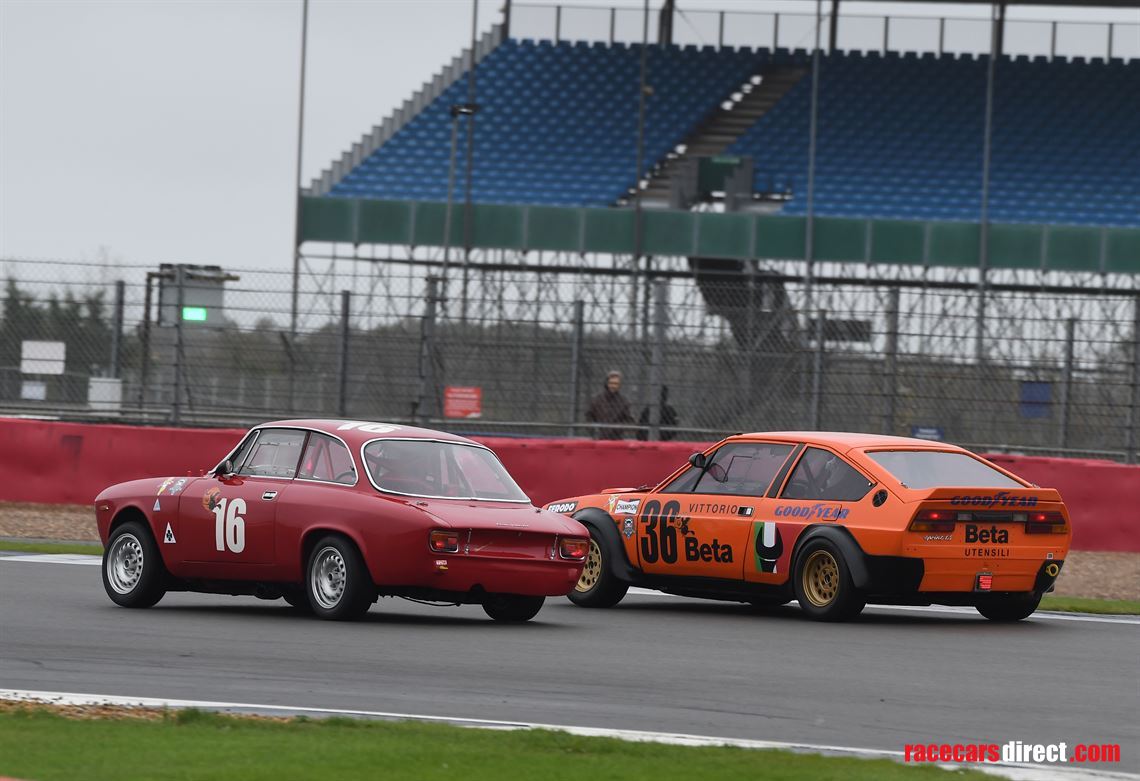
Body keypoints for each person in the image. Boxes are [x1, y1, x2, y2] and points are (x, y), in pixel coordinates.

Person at [586, 370, 634, 440]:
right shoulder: (597, 400)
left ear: (619, 385)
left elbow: (629, 420)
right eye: (611, 383)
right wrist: (593, 429)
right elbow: (589, 415)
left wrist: (619, 428)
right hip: (599, 437)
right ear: (607, 383)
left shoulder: (624, 401)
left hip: (616, 439)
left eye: (616, 384)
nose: (613, 386)